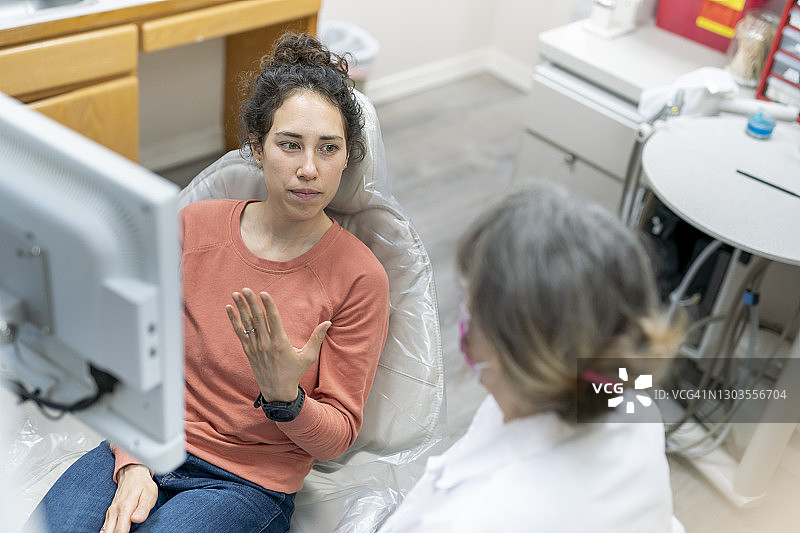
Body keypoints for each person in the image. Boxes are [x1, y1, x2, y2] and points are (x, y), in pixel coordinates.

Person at [30, 33, 390, 533]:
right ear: (256, 147)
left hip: (245, 483)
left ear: (347, 157)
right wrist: (133, 459)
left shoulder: (359, 278)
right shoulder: (195, 228)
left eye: (328, 149)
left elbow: (335, 439)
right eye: (290, 144)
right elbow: (134, 357)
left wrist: (285, 395)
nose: (309, 169)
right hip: (151, 441)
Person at [378, 183, 685, 532]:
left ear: (508, 346)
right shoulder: (635, 406)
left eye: (473, 298)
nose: (464, 309)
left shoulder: (471, 519)